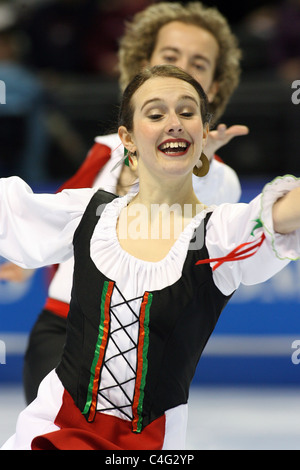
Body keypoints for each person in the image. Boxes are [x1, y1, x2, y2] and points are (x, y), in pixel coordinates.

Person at [1, 64, 300, 450]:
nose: (173, 122)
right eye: (156, 114)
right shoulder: (87, 213)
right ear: (127, 138)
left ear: (204, 132)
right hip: (47, 436)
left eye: (188, 112)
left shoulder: (221, 234)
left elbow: (284, 213)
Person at [0, 1, 248, 405]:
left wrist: (194, 165)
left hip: (139, 350)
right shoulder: (104, 150)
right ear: (143, 67)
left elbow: (196, 222)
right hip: (62, 328)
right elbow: (63, 214)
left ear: (215, 88)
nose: (182, 69)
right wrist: (30, 259)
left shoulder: (219, 181)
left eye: (199, 64)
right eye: (170, 57)